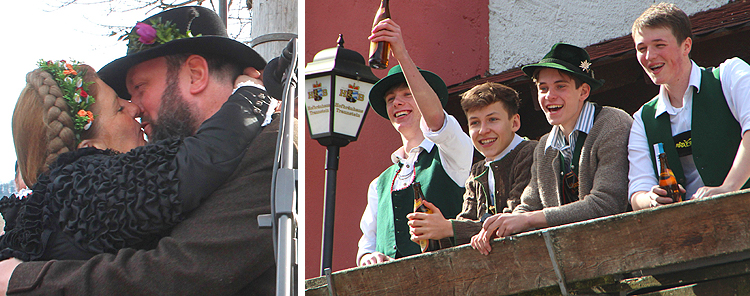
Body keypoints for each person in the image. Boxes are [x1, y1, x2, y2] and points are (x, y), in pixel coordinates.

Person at [0, 6, 281, 295]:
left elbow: (181, 272)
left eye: (139, 87)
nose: (134, 107)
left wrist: (26, 279)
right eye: (122, 103)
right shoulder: (99, 182)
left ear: (196, 75)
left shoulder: (271, 146)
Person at [0, 59, 268, 262]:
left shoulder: (59, 200)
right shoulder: (82, 187)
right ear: (89, 147)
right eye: (118, 108)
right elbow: (198, 160)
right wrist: (251, 93)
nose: (134, 108)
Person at [471, 43, 632, 255]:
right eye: (543, 88)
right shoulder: (545, 145)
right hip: (571, 259)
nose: (549, 96)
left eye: (560, 86)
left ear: (583, 91)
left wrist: (527, 219)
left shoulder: (613, 123)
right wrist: (498, 226)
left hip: (621, 252)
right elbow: (528, 205)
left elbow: (605, 205)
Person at [356, 19, 473, 266]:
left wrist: (401, 54)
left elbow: (436, 121)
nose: (396, 103)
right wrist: (370, 257)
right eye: (390, 99)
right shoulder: (379, 184)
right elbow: (367, 244)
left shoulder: (452, 152)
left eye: (407, 94)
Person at [628, 3, 750, 210]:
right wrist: (650, 199)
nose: (649, 56)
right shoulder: (643, 118)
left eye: (659, 44)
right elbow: (637, 190)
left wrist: (728, 188)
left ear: (686, 46)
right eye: (642, 48)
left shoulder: (730, 75)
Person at [406, 82, 536, 247]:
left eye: (492, 119)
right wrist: (434, 231)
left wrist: (448, 228)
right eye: (475, 123)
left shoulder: (530, 153)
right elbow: (467, 221)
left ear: (514, 123)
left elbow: (512, 220)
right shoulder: (478, 170)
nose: (483, 130)